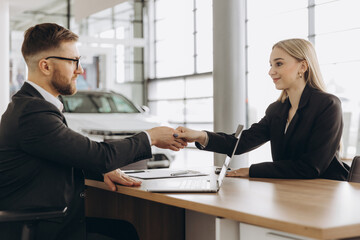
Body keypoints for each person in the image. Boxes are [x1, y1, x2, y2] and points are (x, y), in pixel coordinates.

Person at [0, 23, 186, 240]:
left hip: (45, 221)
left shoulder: (30, 105)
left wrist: (101, 170)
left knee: (126, 231)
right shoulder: (33, 112)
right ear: (46, 66)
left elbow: (61, 157)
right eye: (74, 62)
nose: (80, 70)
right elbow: (100, 155)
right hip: (42, 227)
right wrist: (150, 137)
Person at [175, 38, 350, 181]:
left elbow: (310, 167)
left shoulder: (328, 105)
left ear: (302, 67)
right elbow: (242, 142)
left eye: (279, 64)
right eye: (271, 65)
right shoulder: (277, 110)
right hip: (291, 190)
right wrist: (200, 136)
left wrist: (251, 170)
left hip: (329, 191)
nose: (271, 71)